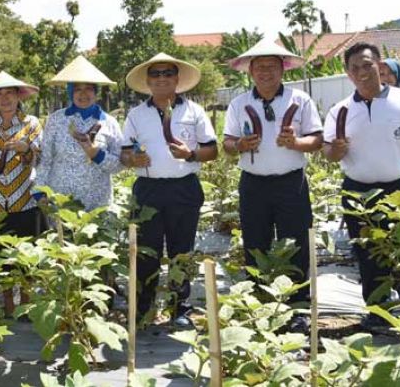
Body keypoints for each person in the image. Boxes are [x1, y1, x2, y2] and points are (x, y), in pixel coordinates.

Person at [322, 42, 400, 331]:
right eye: (354, 67)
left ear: (379, 65)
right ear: (347, 73)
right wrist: (336, 149)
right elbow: (330, 154)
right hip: (358, 193)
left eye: (367, 64)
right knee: (369, 254)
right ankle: (377, 313)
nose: (362, 72)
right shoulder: (340, 111)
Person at [223, 40, 324, 332]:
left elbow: (316, 140)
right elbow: (227, 144)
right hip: (253, 183)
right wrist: (240, 144)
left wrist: (296, 142)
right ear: (251, 71)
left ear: (282, 69)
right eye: (260, 66)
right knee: (255, 242)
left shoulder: (299, 100)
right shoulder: (239, 104)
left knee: (296, 244)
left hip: (291, 182)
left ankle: (298, 308)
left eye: (271, 66)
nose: (266, 71)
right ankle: (260, 305)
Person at [121, 52, 218, 327]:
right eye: (156, 74)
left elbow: (212, 150)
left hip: (184, 188)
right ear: (148, 81)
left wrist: (191, 154)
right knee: (146, 251)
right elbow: (125, 154)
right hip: (148, 190)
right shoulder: (136, 114)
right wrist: (133, 160)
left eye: (167, 73)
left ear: (177, 79)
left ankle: (180, 307)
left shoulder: (194, 111)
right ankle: (145, 306)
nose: (161, 78)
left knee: (181, 250)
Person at [0, 71, 46, 316]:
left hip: (25, 199)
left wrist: (26, 150)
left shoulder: (31, 123)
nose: (5, 98)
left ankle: (25, 304)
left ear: (18, 95)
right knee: (2, 258)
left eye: (9, 93)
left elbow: (40, 158)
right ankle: (8, 306)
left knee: (25, 256)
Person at [36, 55, 124, 210]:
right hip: (62, 201)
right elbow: (46, 160)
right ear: (70, 92)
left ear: (95, 91)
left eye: (88, 88)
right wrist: (39, 191)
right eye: (77, 89)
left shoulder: (109, 123)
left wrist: (96, 154)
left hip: (98, 202)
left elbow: (119, 165)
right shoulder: (56, 119)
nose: (83, 94)